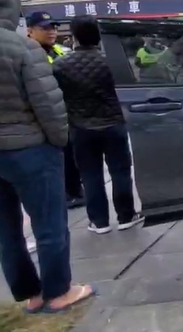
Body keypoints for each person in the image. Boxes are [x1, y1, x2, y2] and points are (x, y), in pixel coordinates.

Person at [0, 0, 95, 312]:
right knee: (48, 225)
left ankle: (31, 296)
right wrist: (59, 142)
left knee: (5, 231)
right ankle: (59, 292)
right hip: (30, 149)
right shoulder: (22, 47)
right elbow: (47, 104)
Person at [53, 15, 144, 235]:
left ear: (74, 37)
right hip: (113, 124)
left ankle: (99, 221)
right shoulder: (112, 61)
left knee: (90, 174)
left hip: (80, 128)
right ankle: (126, 215)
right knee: (120, 172)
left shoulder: (60, 64)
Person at [26, 12, 85, 210]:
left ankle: (75, 191)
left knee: (71, 156)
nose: (52, 32)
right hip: (43, 115)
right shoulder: (25, 54)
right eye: (45, 28)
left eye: (53, 27)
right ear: (30, 31)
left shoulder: (61, 50)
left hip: (67, 112)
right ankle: (65, 193)